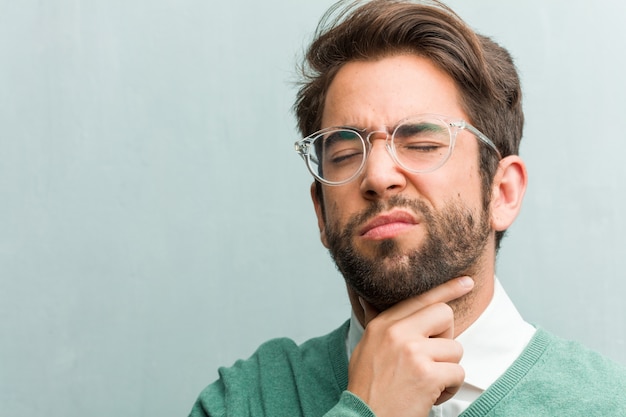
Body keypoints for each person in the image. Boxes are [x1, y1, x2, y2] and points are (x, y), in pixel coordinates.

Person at [189, 1, 626, 416]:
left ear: (502, 193)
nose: (378, 176)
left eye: (422, 144)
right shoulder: (243, 403)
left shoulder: (608, 405)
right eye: (344, 154)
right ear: (321, 212)